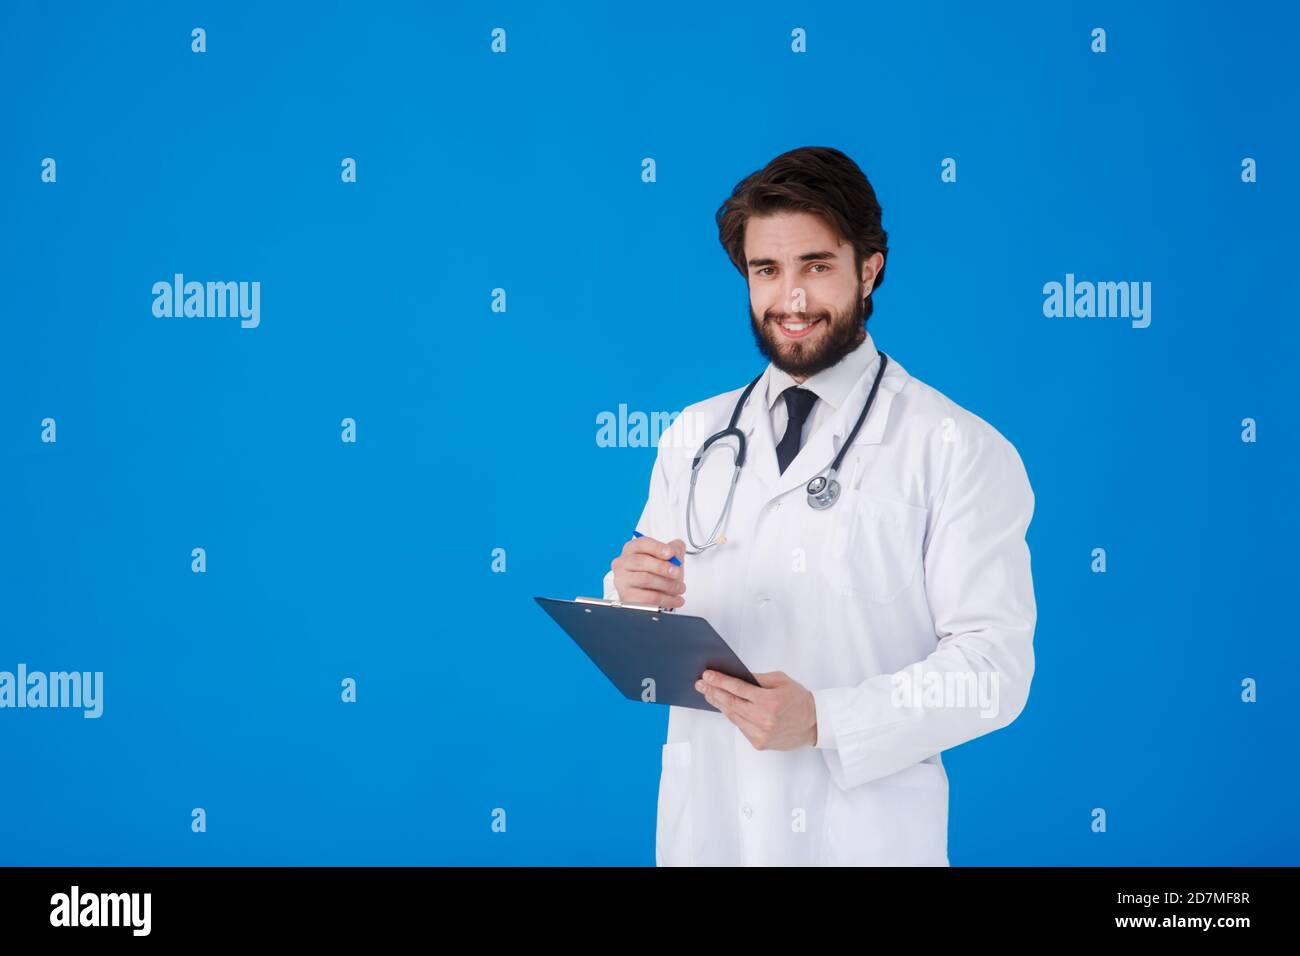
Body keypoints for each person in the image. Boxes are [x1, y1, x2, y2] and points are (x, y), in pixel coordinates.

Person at [603, 146, 1037, 866]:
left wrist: (828, 720)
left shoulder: (956, 446)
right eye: (767, 271)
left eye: (816, 265)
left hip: (862, 836)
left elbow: (995, 669)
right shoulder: (694, 434)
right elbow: (647, 635)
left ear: (870, 268)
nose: (791, 300)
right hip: (709, 830)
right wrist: (628, 595)